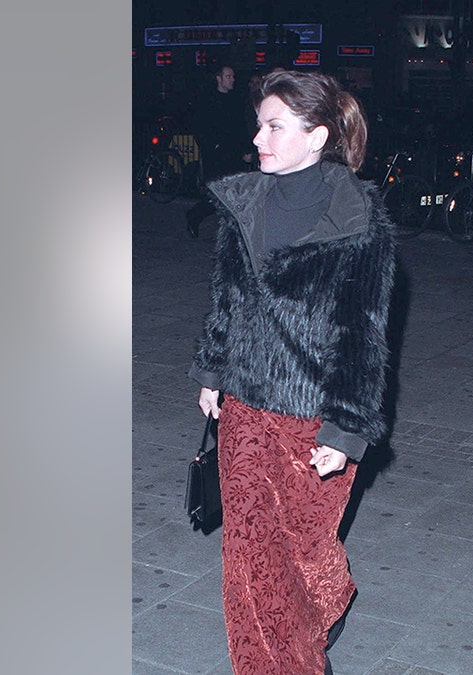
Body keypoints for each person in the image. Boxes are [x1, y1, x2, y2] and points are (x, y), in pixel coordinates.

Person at [188, 69, 395, 674]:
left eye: (274, 126)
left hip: (312, 415)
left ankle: (310, 627)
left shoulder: (357, 218)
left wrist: (346, 430)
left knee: (305, 555)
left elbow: (363, 333)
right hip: (246, 405)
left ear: (317, 136)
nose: (259, 137)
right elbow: (225, 296)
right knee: (252, 558)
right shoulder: (243, 201)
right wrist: (212, 368)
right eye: (259, 123)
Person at [185, 64, 253, 238]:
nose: (232, 80)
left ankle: (233, 233)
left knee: (235, 194)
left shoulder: (236, 100)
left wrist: (246, 149)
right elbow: (199, 127)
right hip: (216, 156)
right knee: (219, 195)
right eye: (228, 76)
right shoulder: (207, 100)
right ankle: (196, 214)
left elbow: (240, 127)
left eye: (233, 77)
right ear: (219, 78)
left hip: (234, 154)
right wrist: (211, 146)